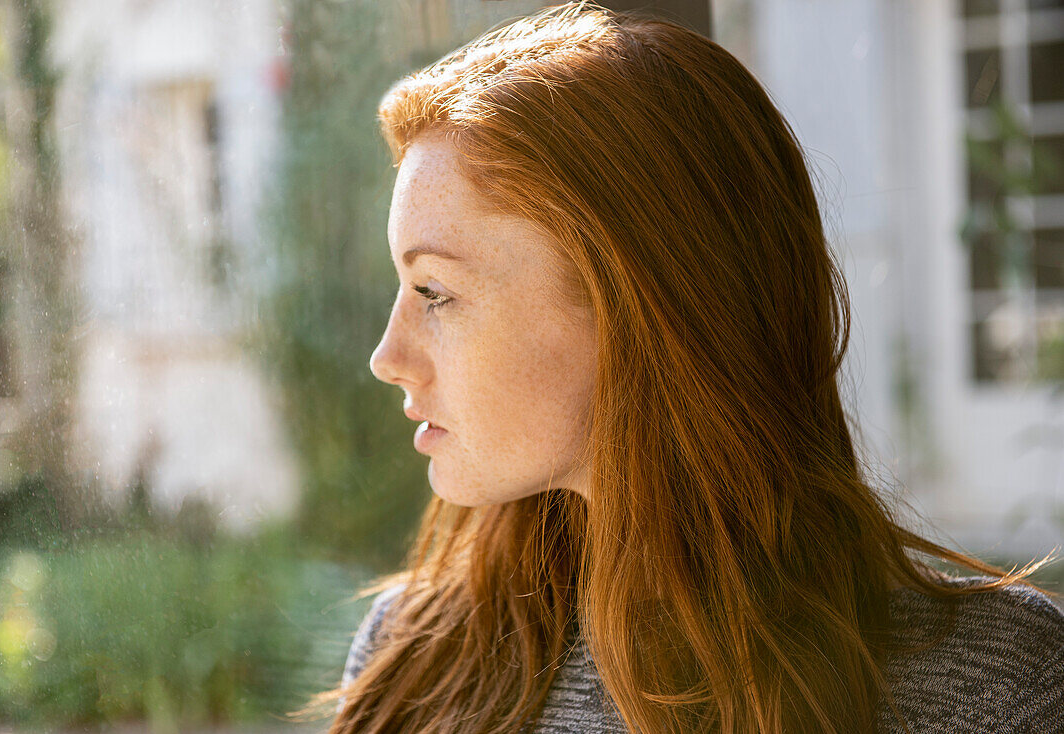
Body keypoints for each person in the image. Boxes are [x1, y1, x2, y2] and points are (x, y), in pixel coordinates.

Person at [301, 3, 1064, 732]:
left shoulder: (998, 691)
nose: (386, 359)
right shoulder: (414, 658)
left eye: (435, 292)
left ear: (639, 305)